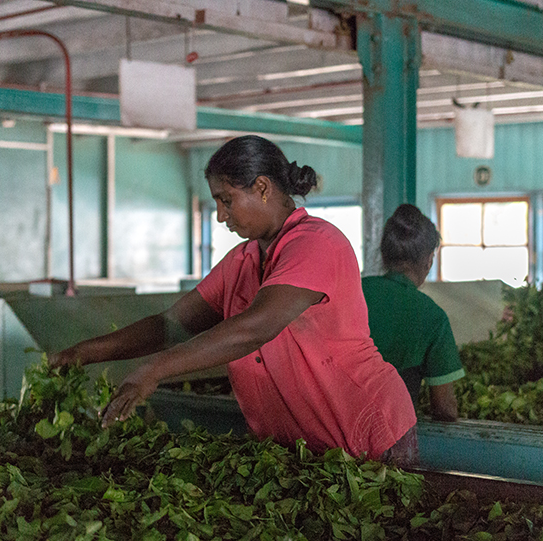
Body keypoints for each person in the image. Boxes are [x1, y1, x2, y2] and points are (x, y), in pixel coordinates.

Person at [49, 135, 418, 466]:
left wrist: (153, 371)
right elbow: (170, 325)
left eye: (227, 200)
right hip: (303, 450)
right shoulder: (242, 262)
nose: (222, 216)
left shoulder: (316, 244)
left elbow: (255, 328)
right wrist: (82, 354)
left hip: (365, 430)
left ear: (261, 187)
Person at [361, 204, 463, 422]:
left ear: (383, 254)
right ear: (428, 261)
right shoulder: (433, 316)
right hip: (388, 430)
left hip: (329, 426)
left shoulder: (352, 292)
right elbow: (444, 407)